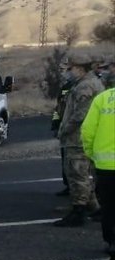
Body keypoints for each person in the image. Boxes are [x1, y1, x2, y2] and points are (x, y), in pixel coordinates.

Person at [55, 56, 104, 227]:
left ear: (80, 68)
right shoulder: (87, 83)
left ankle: (79, 211)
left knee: (77, 174)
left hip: (77, 137)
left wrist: (64, 130)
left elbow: (80, 114)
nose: (68, 72)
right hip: (80, 136)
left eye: (71, 68)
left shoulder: (85, 86)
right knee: (80, 174)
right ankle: (94, 208)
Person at [81, 83, 115, 260]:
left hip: (105, 164)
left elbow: (87, 130)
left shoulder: (102, 98)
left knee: (109, 206)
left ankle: (111, 241)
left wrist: (90, 153)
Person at [51, 61, 77, 197]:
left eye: (64, 69)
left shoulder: (78, 87)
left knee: (74, 161)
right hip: (63, 126)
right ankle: (68, 185)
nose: (62, 72)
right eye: (60, 69)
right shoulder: (64, 87)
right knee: (65, 159)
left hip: (73, 128)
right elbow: (58, 108)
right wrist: (55, 124)